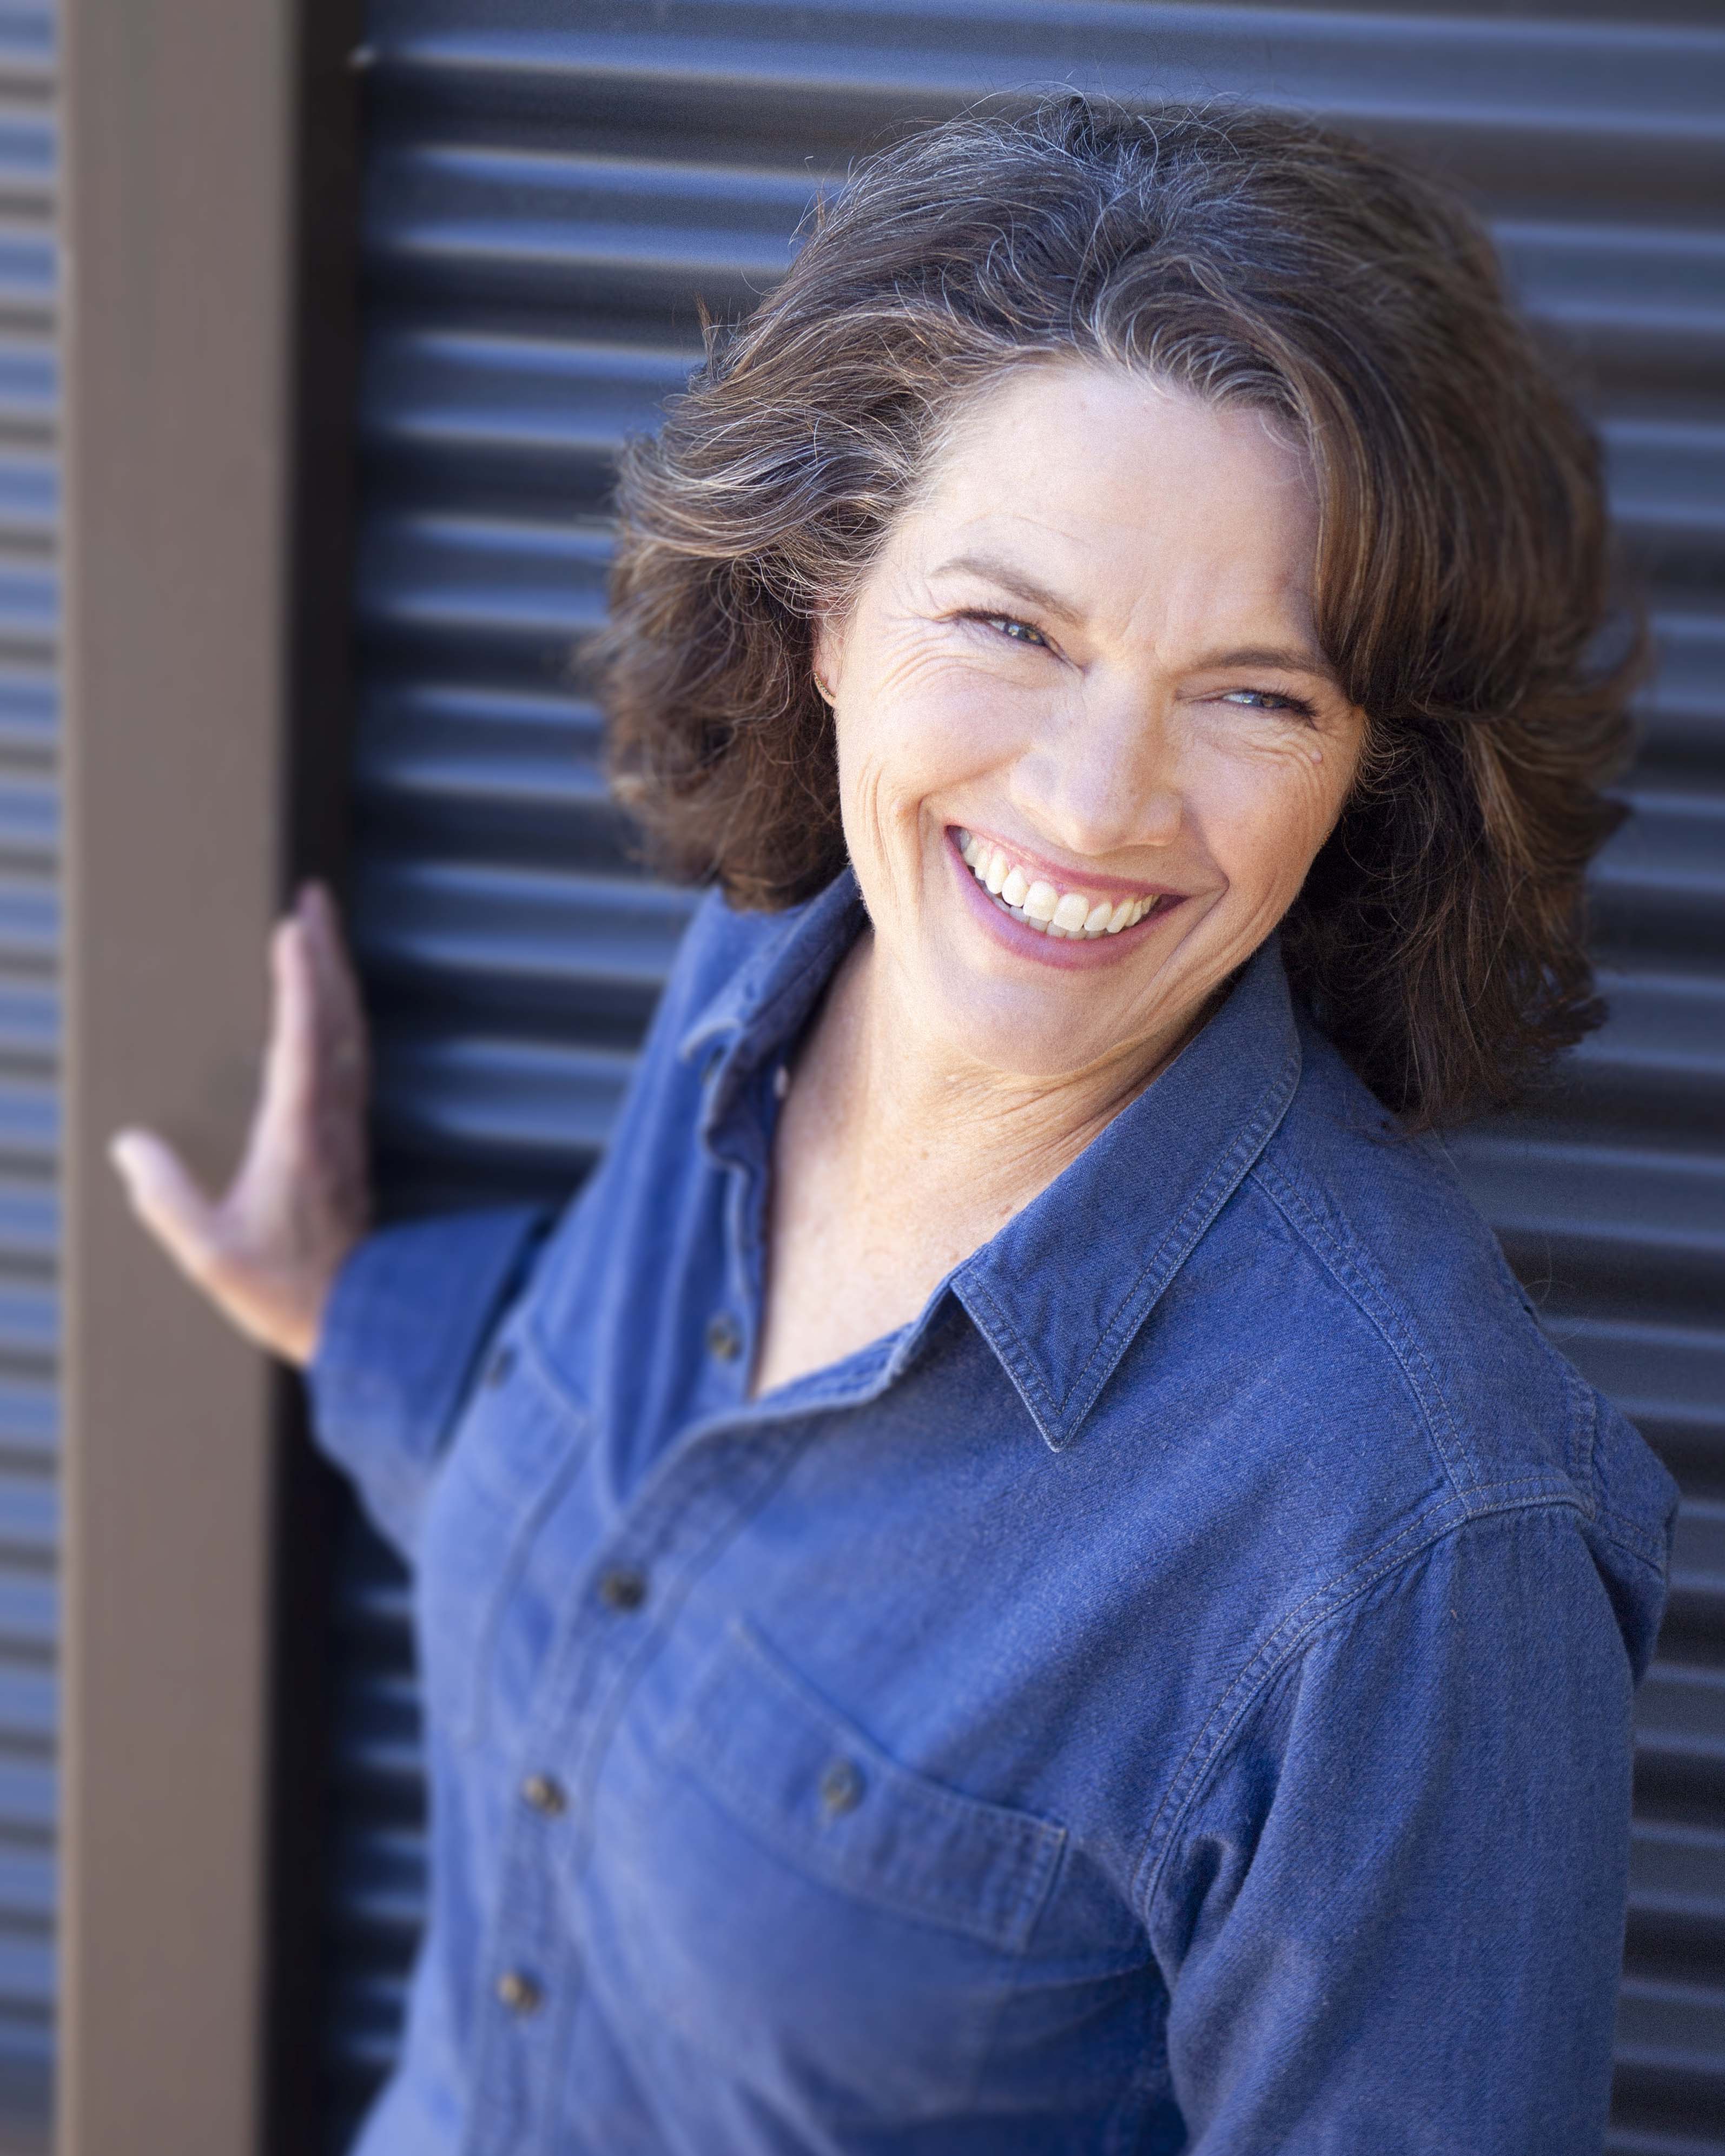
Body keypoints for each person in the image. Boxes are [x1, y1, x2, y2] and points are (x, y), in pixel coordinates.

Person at [111, 97, 1676, 2156]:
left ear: (1373, 775)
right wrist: (344, 1305)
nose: (1101, 798)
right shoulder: (765, 973)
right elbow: (662, 1556)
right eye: (1011, 628)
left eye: (1259, 694)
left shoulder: (1406, 1543)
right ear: (830, 613)